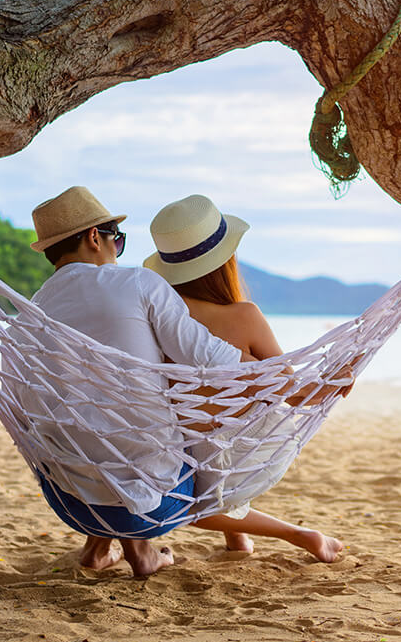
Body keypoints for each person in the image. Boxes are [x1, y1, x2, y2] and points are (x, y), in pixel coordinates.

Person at [26, 187, 340, 576]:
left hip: (69, 500)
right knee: (167, 455)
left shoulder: (31, 312)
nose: (116, 251)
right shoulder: (138, 285)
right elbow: (219, 362)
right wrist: (311, 389)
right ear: (95, 237)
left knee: (102, 421)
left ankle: (128, 552)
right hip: (153, 507)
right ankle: (151, 548)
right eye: (117, 241)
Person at [144, 194, 350, 561]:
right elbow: (297, 394)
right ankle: (300, 534)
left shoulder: (154, 321)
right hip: (249, 456)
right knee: (251, 404)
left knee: (221, 415)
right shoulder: (243, 317)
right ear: (225, 262)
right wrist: (336, 383)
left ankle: (238, 539)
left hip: (187, 458)